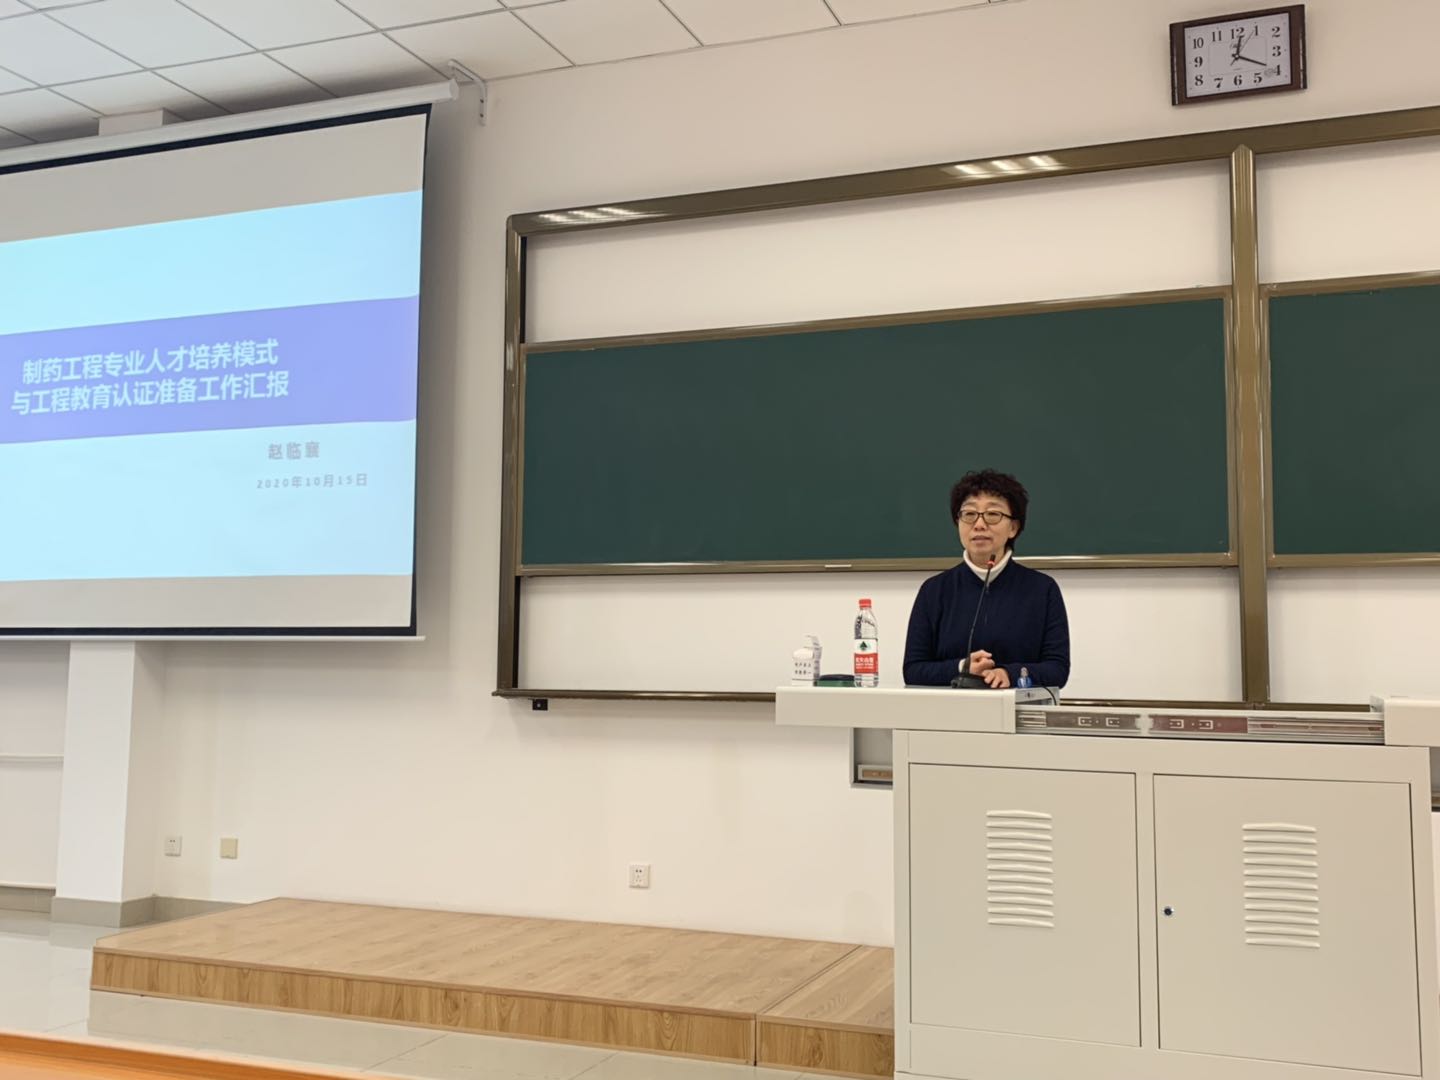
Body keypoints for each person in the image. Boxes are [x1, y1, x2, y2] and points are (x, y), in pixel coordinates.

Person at [902, 469, 1070, 689]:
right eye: (969, 514)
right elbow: (913, 670)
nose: (979, 524)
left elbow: (1057, 669)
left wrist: (1010, 674)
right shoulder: (934, 590)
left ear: (1013, 527)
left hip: (1017, 708)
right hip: (950, 709)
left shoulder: (1042, 589)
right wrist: (962, 667)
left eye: (992, 514)